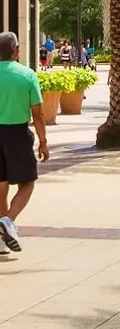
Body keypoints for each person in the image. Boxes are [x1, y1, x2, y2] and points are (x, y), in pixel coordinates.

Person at [0, 32, 48, 255]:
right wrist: (43, 142)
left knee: (1, 187)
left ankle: (1, 240)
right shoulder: (27, 75)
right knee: (27, 183)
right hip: (17, 133)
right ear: (16, 50)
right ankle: (8, 221)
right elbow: (37, 114)